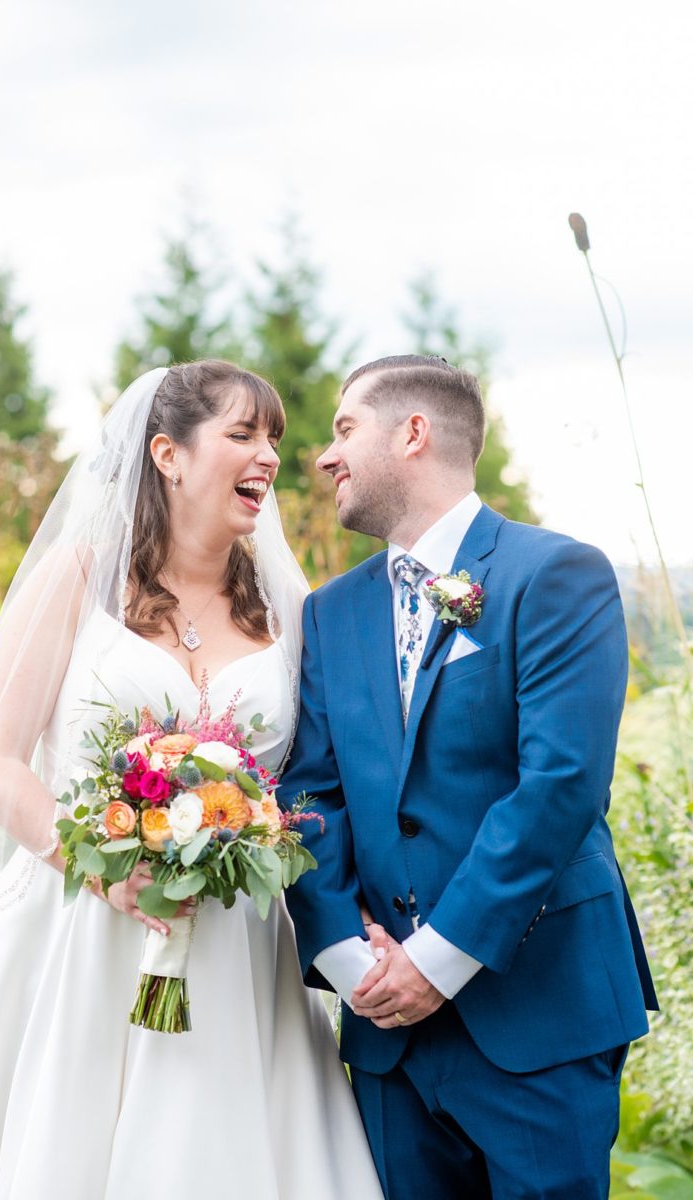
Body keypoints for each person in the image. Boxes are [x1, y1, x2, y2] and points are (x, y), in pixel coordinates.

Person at [0, 361, 383, 1200]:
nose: (268, 455)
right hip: (75, 929)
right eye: (242, 434)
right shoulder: (77, 581)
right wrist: (104, 869)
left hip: (235, 944)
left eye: (273, 437)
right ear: (167, 453)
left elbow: (315, 788)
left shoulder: (290, 611)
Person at [279, 354, 658, 1200]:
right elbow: (309, 795)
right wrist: (351, 962)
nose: (324, 456)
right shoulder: (329, 612)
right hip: (385, 1034)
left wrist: (438, 961)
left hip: (536, 1007)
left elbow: (559, 784)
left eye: (345, 430)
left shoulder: (555, 574)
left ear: (412, 433)